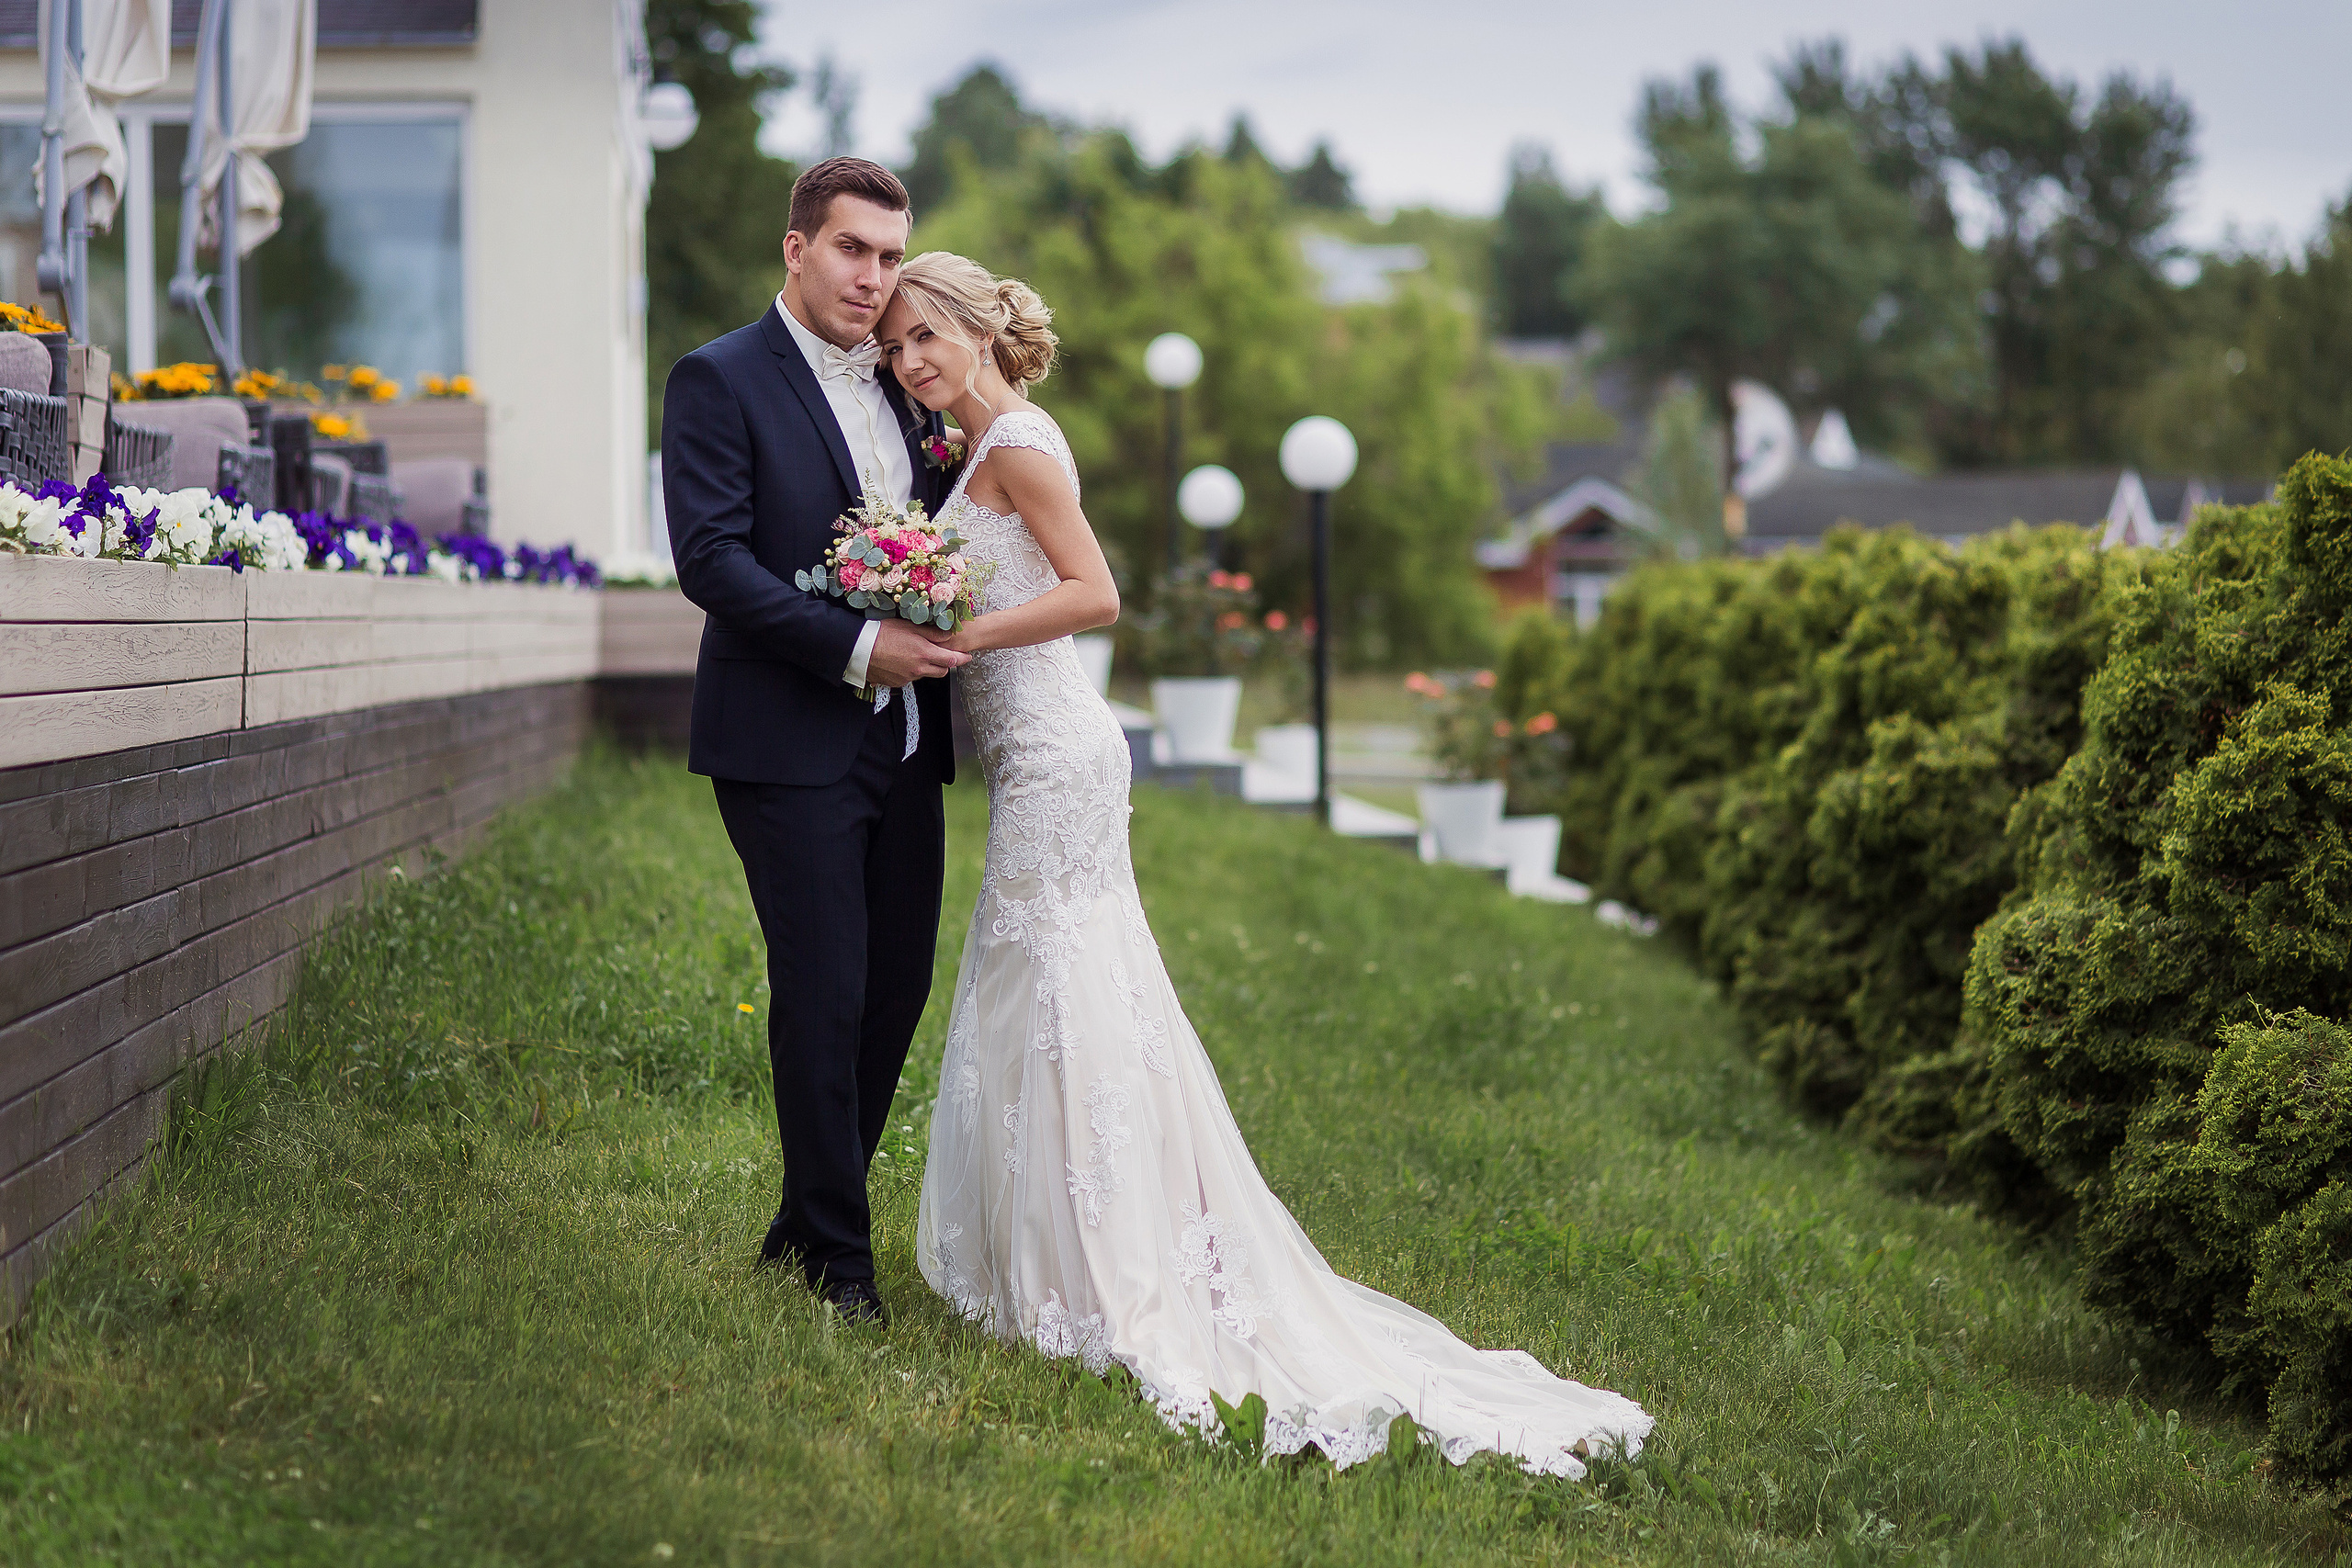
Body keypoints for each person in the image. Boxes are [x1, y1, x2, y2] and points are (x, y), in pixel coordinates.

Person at [882, 252, 1656, 1475]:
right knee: (1057, 984)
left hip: (1060, 752)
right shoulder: (972, 448)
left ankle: (1094, 1271)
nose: (910, 359)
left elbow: (1097, 593)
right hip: (1033, 756)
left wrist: (958, 630)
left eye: (925, 333)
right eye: (894, 346)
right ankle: (1055, 1253)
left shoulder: (1018, 443)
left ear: (979, 328)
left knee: (1065, 983)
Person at [661, 159, 967, 1324]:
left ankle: (801, 1225)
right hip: (783, 738)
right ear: (796, 248)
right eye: (852, 249)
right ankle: (843, 1268)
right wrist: (856, 645)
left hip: (907, 743)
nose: (872, 277)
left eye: (889, 256)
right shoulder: (719, 377)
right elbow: (713, 561)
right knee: (825, 991)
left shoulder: (909, 386)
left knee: (895, 991)